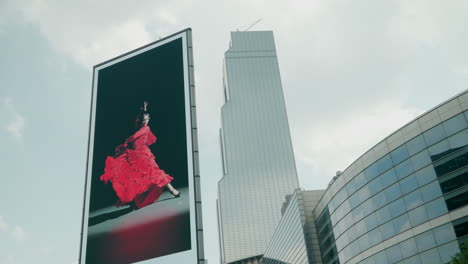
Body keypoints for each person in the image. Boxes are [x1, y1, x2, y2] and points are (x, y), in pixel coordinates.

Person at [100, 101, 180, 210]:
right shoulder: (139, 127)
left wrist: (128, 140)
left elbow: (134, 137)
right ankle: (138, 199)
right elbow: (135, 133)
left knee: (157, 173)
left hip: (145, 156)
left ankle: (172, 190)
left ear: (149, 119)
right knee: (138, 178)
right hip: (136, 156)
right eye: (143, 120)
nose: (145, 121)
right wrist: (143, 110)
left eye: (146, 120)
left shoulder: (146, 129)